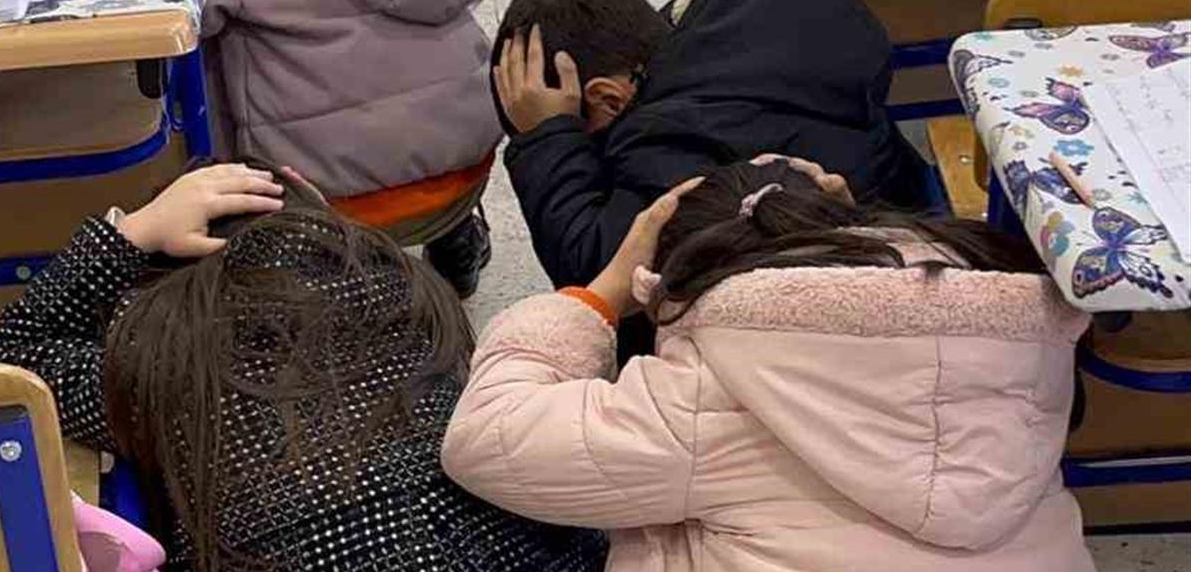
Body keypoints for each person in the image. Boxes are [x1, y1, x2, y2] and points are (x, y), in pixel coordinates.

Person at [442, 158, 1096, 572]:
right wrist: (862, 231)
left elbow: (486, 437)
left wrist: (602, 293)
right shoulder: (1013, 326)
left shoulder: (709, 394)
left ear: (678, 276)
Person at [0, 161, 607, 572]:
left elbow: (19, 361)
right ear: (310, 201)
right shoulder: (408, 292)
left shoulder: (166, 364)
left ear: (165, 281)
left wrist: (134, 231)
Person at [491, 0, 932, 292]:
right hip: (904, 232)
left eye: (576, 125)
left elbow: (597, 283)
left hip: (850, 295)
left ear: (609, 98)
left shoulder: (675, 138)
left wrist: (547, 139)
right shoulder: (744, 19)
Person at [185, 0, 533, 298]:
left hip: (325, 200)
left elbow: (185, 22)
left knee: (213, 67)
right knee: (432, 64)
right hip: (466, 165)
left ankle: (324, 289)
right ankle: (456, 243)